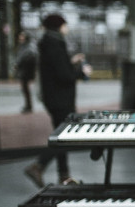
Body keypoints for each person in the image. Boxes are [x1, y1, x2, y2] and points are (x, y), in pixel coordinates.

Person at [23, 14, 91, 187]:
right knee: (65, 137)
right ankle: (38, 166)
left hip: (52, 97)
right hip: (60, 99)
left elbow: (56, 68)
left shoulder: (47, 43)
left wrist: (70, 62)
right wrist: (82, 73)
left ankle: (64, 176)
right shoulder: (55, 44)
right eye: (64, 25)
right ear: (58, 26)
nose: (66, 28)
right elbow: (64, 76)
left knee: (61, 134)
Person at [14, 31, 37, 113]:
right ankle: (28, 105)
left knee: (25, 88)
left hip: (26, 70)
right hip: (24, 69)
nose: (21, 38)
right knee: (24, 88)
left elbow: (29, 55)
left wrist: (20, 63)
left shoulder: (28, 46)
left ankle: (28, 106)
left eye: (22, 36)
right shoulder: (23, 46)